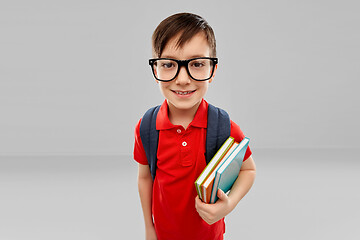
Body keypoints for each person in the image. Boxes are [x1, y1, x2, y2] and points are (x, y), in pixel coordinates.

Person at [133, 12, 256, 240]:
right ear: (155, 70)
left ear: (213, 71)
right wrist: (149, 229)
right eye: (169, 64)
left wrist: (228, 205)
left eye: (197, 64)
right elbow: (145, 178)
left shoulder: (223, 126)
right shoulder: (147, 127)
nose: (182, 79)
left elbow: (248, 170)